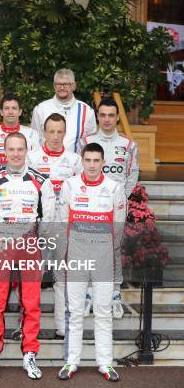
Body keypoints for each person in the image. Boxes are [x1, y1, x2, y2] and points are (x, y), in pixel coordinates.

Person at [0, 132, 56, 380]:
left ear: (26, 150)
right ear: (4, 151)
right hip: (1, 241)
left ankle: (30, 355)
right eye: (10, 149)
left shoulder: (41, 181)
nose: (15, 154)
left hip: (29, 242)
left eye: (19, 149)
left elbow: (48, 217)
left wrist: (38, 242)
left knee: (32, 303)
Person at [57, 142, 126, 382]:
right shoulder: (70, 185)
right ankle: (71, 362)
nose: (92, 165)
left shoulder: (114, 188)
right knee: (75, 312)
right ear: (82, 161)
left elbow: (118, 228)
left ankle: (105, 363)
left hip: (103, 259)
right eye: (88, 160)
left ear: (103, 162)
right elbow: (63, 222)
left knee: (103, 313)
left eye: (97, 161)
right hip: (76, 257)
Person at [79, 97, 139, 319]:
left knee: (113, 250)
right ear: (97, 116)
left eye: (111, 115)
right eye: (102, 114)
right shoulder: (85, 141)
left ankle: (114, 295)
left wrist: (120, 198)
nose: (106, 119)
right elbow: (79, 171)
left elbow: (132, 174)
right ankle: (88, 294)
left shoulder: (128, 145)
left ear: (116, 117)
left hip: (114, 207)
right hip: (87, 205)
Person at [27, 113, 82, 339]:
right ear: (44, 132)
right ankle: (28, 327)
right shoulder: (31, 158)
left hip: (64, 228)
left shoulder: (75, 160)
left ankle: (62, 326)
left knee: (62, 279)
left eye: (60, 131)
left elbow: (80, 194)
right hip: (38, 228)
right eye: (52, 131)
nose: (56, 136)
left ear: (65, 132)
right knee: (31, 280)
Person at [31, 68, 97, 153]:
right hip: (46, 163)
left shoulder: (87, 111)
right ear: (54, 86)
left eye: (66, 84)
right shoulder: (40, 109)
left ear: (74, 86)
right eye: (58, 84)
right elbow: (35, 141)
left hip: (76, 164)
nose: (62, 87)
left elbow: (91, 143)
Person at [0, 93, 40, 168]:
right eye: (6, 108)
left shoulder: (32, 134)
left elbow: (36, 162)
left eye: (14, 108)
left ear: (20, 112)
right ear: (1, 112)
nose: (10, 112)